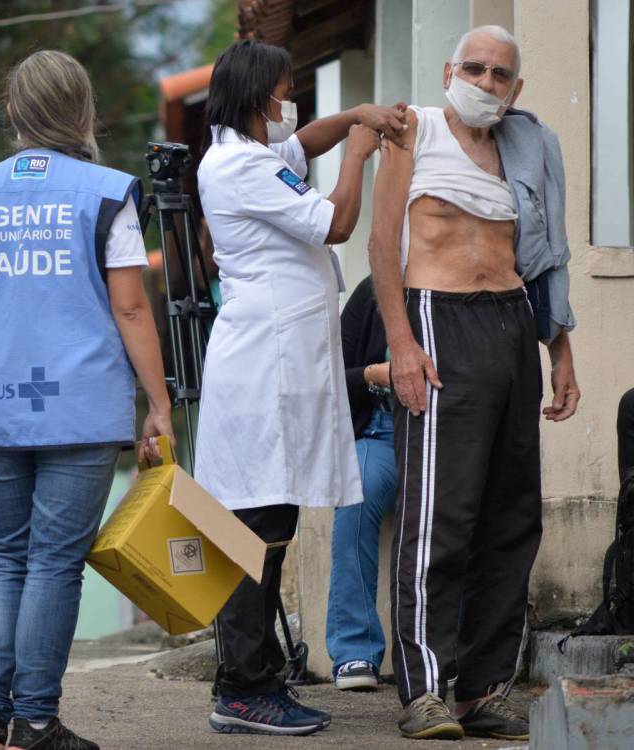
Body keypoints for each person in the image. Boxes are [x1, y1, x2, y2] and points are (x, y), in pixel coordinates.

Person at [0, 49, 174, 750]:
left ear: (11, 112)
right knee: (55, 562)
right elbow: (130, 308)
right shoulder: (103, 192)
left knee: (0, 556)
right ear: (83, 113)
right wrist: (158, 402)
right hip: (81, 406)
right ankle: (34, 721)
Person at [369, 25, 580, 742]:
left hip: (514, 324)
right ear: (450, 70)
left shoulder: (527, 147)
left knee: (512, 515)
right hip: (437, 320)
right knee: (440, 516)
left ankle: (482, 690)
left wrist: (561, 349)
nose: (487, 83)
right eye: (477, 69)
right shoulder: (414, 131)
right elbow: (380, 241)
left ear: (515, 89)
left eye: (501, 75)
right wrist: (401, 344)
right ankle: (424, 689)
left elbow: (548, 253)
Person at [193, 38, 406, 737]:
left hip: (277, 363)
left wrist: (351, 118)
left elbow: (301, 143)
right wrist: (358, 155)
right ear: (260, 98)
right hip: (266, 365)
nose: (295, 105)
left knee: (270, 517)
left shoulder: (254, 148)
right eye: (288, 91)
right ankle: (242, 685)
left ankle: (254, 679)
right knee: (254, 523)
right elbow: (337, 222)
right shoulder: (237, 166)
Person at [325, 276, 395, 692]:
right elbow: (332, 374)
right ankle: (355, 651)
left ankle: (450, 651)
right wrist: (374, 374)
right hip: (381, 430)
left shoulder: (460, 284)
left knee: (456, 512)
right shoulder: (374, 291)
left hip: (445, 434)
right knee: (357, 496)